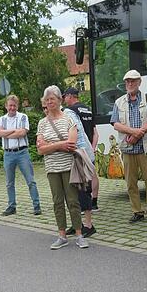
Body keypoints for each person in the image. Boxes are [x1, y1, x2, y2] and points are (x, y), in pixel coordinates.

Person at [37, 86, 90, 249]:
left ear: (60, 100)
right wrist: (60, 144)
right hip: (52, 168)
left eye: (52, 98)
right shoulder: (42, 123)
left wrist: (50, 145)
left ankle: (79, 234)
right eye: (47, 99)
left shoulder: (68, 120)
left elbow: (71, 145)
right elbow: (40, 149)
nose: (50, 102)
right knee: (57, 202)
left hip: (68, 167)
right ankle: (62, 235)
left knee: (73, 201)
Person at [111, 69, 147, 223]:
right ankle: (137, 211)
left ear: (139, 82)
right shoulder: (119, 102)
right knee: (130, 183)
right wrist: (133, 132)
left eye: (133, 81)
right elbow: (116, 124)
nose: (130, 84)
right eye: (127, 81)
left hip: (145, 147)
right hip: (127, 148)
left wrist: (139, 134)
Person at [0, 94, 42, 216]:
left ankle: (36, 205)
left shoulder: (23, 117)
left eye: (14, 105)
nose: (12, 108)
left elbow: (22, 133)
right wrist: (13, 131)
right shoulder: (2, 119)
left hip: (22, 152)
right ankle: (12, 206)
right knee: (9, 182)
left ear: (17, 106)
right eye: (10, 105)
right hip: (8, 153)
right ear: (6, 106)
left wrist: (6, 133)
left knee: (30, 180)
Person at [63, 88, 97, 237]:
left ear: (70, 97)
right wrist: (93, 149)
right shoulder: (87, 109)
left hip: (79, 152)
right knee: (75, 191)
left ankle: (88, 225)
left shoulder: (70, 112)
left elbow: (78, 134)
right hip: (87, 151)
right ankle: (78, 224)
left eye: (65, 97)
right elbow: (94, 131)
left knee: (83, 190)